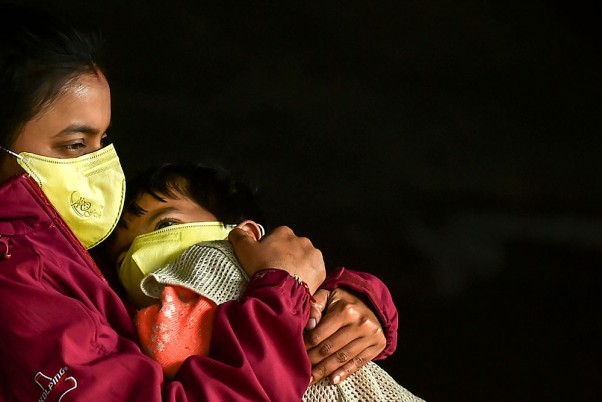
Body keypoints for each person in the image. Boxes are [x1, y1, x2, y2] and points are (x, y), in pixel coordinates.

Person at [0, 4, 399, 400]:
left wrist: (354, 301)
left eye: (100, 143)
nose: (98, 165)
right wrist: (280, 296)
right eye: (74, 145)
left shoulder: (66, 254)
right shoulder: (18, 281)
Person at [104, 162, 424, 401]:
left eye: (166, 224)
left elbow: (173, 348)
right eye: (122, 257)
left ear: (245, 233)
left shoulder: (213, 260)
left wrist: (365, 298)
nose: (140, 251)